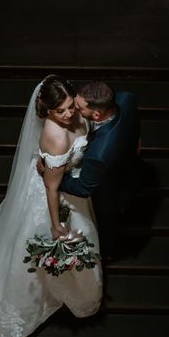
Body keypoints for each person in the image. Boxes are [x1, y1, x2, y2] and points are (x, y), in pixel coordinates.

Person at [0, 75, 102, 337]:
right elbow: (52, 187)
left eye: (71, 106)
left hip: (73, 186)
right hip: (55, 196)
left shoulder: (79, 114)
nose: (69, 114)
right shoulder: (55, 136)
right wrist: (57, 224)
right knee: (42, 248)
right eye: (61, 111)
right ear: (47, 112)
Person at [58, 81, 142, 261]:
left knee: (106, 222)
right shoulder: (126, 98)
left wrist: (53, 176)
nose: (74, 109)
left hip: (111, 186)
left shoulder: (99, 155)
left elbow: (83, 188)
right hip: (127, 161)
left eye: (78, 107)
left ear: (96, 115)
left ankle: (109, 254)